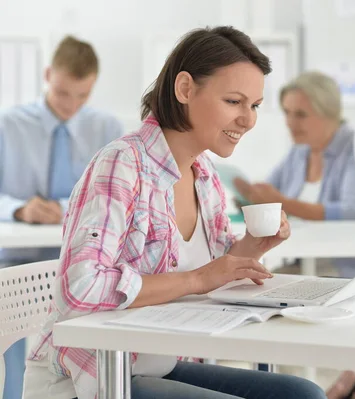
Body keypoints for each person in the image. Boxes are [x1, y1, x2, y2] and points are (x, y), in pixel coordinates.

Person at [23, 26, 326, 399]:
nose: (248, 119)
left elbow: (215, 270)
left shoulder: (204, 174)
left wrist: (253, 245)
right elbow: (79, 288)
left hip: (154, 364)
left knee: (302, 394)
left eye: (255, 105)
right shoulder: (122, 164)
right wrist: (196, 280)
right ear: (184, 89)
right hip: (96, 376)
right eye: (234, 101)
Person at [0, 35, 122, 399]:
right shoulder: (8, 125)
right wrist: (18, 209)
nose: (71, 105)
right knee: (12, 341)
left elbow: (115, 197)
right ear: (48, 74)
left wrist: (68, 210)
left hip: (80, 263)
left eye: (82, 96)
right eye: (62, 93)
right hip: (14, 261)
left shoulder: (108, 130)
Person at [234, 71, 355, 399]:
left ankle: (332, 381)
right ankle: (307, 385)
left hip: (343, 264)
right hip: (304, 258)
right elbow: (269, 192)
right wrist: (252, 195)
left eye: (300, 114)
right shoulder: (300, 151)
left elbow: (351, 211)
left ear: (327, 113)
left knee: (272, 300)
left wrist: (281, 200)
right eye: (287, 113)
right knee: (256, 292)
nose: (290, 122)